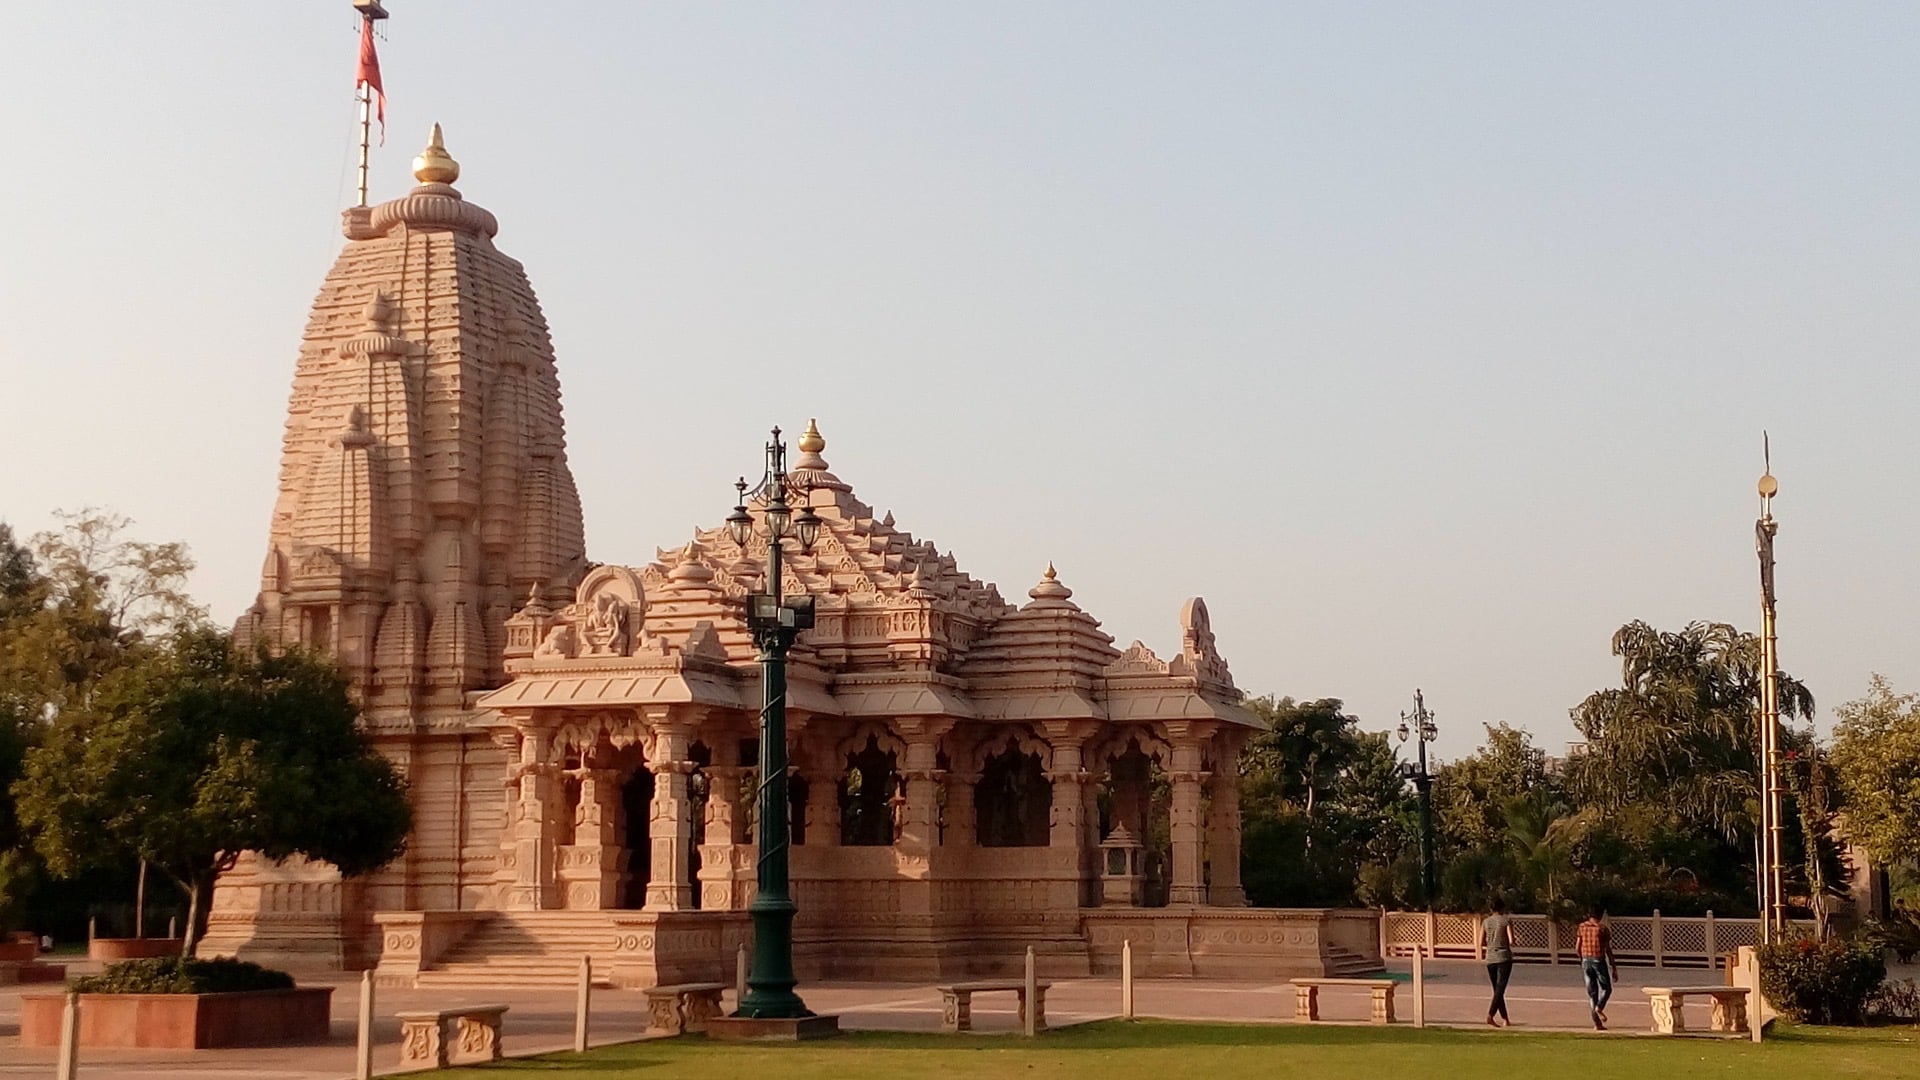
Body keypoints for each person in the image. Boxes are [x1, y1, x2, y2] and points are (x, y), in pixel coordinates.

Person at [1576, 906, 1618, 1030]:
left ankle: (1597, 1023)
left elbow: (1577, 946)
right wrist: (1614, 967)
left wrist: (1582, 959)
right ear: (1600, 916)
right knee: (1606, 988)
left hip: (1586, 960)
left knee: (1592, 993)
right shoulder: (1602, 929)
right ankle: (1599, 1007)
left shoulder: (1582, 927)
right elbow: (1608, 950)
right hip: (1598, 960)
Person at [1479, 896, 1516, 1027]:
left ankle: (1505, 1018)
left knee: (1497, 989)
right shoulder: (1506, 921)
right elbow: (1511, 940)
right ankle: (1490, 1014)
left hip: (1490, 958)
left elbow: (1480, 942)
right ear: (1502, 908)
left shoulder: (1486, 922)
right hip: (1504, 957)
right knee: (1500, 988)